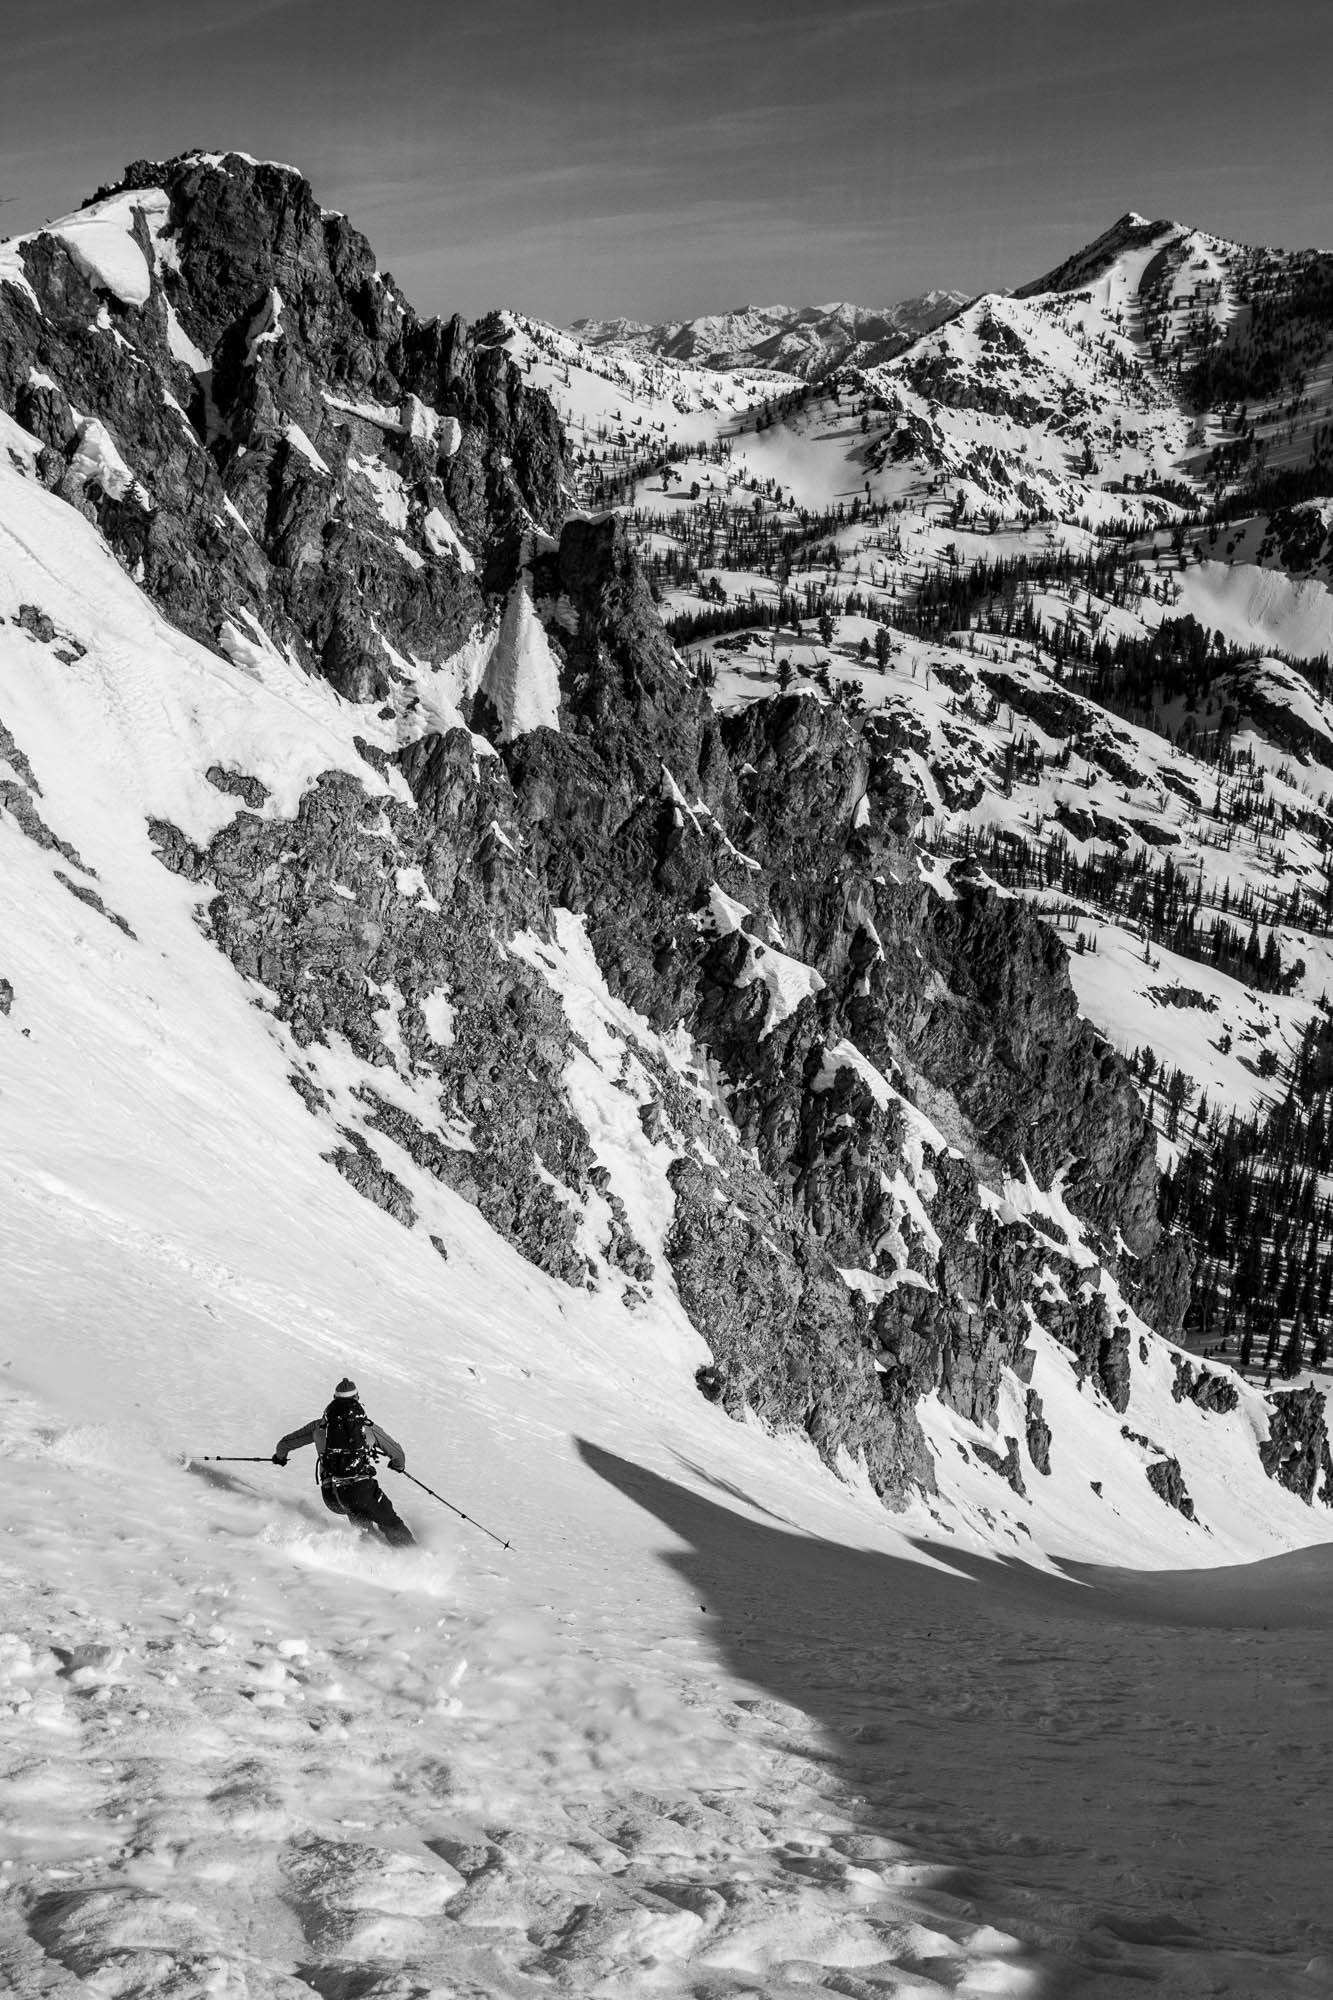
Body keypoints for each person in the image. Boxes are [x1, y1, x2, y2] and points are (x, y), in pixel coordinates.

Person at [273, 1378, 415, 1547]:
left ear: (334, 1399)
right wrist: (398, 1465)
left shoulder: (318, 1427)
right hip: (360, 1491)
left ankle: (373, 1552)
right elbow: (398, 1454)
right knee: (390, 1522)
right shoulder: (366, 1427)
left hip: (331, 1496)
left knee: (358, 1518)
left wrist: (280, 1457)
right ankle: (417, 1559)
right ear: (357, 1398)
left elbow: (285, 1443)